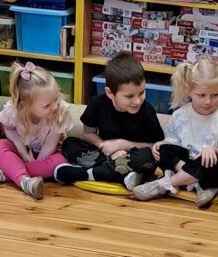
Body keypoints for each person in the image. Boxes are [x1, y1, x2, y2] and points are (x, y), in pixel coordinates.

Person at [132, 56, 218, 208]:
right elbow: (172, 142)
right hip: (185, 164)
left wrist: (214, 151)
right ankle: (195, 181)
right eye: (202, 95)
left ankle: (166, 184)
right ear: (189, 90)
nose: (208, 101)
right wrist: (161, 144)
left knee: (209, 161)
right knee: (162, 149)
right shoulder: (180, 114)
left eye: (215, 95)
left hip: (211, 171)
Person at [55, 52, 164, 192]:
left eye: (142, 92)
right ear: (110, 93)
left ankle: (87, 174)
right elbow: (87, 135)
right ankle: (122, 174)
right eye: (129, 96)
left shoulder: (147, 111)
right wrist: (105, 147)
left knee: (147, 157)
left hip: (133, 156)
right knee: (69, 144)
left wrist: (121, 145)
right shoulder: (98, 103)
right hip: (104, 154)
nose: (137, 101)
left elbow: (154, 146)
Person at [0, 62, 73, 200]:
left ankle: (3, 174)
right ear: (25, 106)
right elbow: (9, 130)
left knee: (62, 160)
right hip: (22, 150)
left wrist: (35, 163)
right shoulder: (14, 110)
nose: (55, 106)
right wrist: (23, 153)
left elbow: (50, 144)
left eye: (56, 98)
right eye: (47, 105)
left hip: (46, 155)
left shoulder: (60, 112)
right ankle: (25, 180)